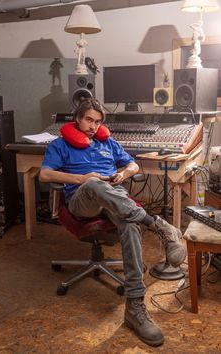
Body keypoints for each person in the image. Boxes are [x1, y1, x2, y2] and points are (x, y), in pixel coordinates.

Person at [39, 98, 186, 347]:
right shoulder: (59, 145)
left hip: (113, 198)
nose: (94, 126)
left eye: (98, 122)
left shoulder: (108, 143)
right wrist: (81, 178)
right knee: (95, 183)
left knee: (128, 222)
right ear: (77, 119)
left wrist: (123, 173)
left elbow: (133, 164)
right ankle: (159, 226)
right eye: (89, 120)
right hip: (81, 200)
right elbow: (45, 174)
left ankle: (135, 307)